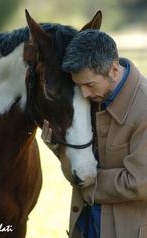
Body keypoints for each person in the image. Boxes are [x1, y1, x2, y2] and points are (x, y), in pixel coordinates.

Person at [42, 29, 147, 238]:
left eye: (89, 85)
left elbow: (139, 183)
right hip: (85, 226)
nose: (84, 94)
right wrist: (59, 149)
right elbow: (79, 172)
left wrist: (90, 187)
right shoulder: (92, 98)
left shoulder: (144, 108)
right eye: (79, 85)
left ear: (114, 70)